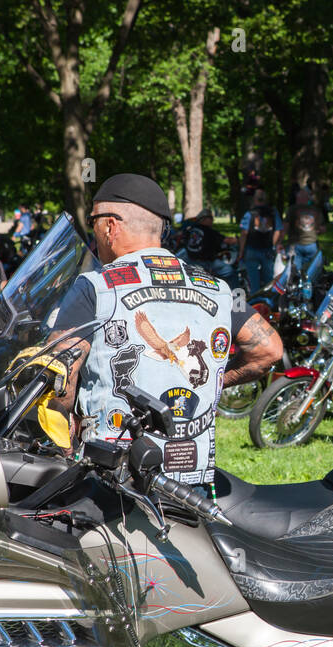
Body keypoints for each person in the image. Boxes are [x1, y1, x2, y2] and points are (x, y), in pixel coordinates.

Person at [49, 173, 280, 487]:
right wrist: (213, 383)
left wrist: (61, 445)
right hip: (190, 482)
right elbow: (270, 350)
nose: (94, 231)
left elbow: (60, 372)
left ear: (110, 226)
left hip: (111, 481)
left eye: (93, 222)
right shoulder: (216, 288)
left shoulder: (95, 287)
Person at [239, 189, 282, 294]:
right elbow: (278, 231)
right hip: (267, 250)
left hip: (251, 249)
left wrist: (241, 251)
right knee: (268, 281)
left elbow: (244, 233)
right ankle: (267, 303)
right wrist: (272, 244)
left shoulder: (249, 214)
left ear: (254, 199)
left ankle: (255, 305)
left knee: (253, 282)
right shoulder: (273, 213)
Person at [177, 208, 235, 283]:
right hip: (205, 262)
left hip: (189, 259)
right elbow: (228, 240)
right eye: (210, 218)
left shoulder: (191, 229)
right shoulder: (209, 231)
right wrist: (238, 240)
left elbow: (181, 238)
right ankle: (235, 292)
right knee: (229, 271)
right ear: (205, 219)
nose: (212, 220)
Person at [285, 187, 325, 278]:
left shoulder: (292, 210)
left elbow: (285, 226)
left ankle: (298, 288)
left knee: (294, 273)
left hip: (296, 245)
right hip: (311, 244)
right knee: (312, 272)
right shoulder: (315, 210)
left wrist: (280, 241)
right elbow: (322, 228)